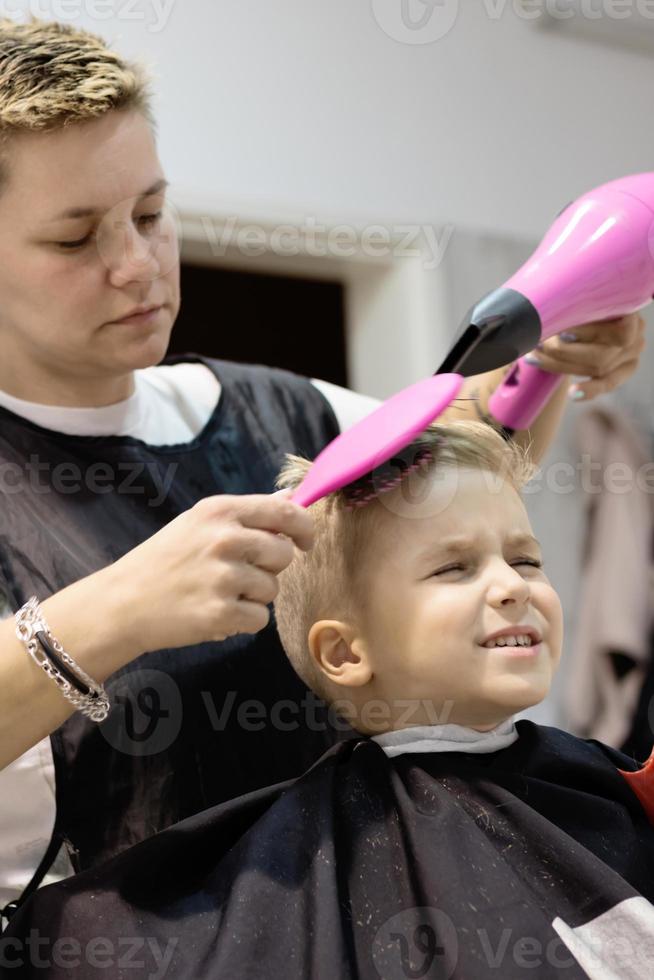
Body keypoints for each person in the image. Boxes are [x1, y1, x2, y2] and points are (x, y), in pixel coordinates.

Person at [0, 16, 646, 925]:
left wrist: (550, 355)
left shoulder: (280, 412)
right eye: (75, 240)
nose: (136, 265)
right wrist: (112, 613)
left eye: (150, 214)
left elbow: (463, 462)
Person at [4, 420, 654, 979]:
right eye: (455, 567)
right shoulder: (307, 855)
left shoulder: (611, 783)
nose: (513, 587)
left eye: (526, 559)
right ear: (345, 653)